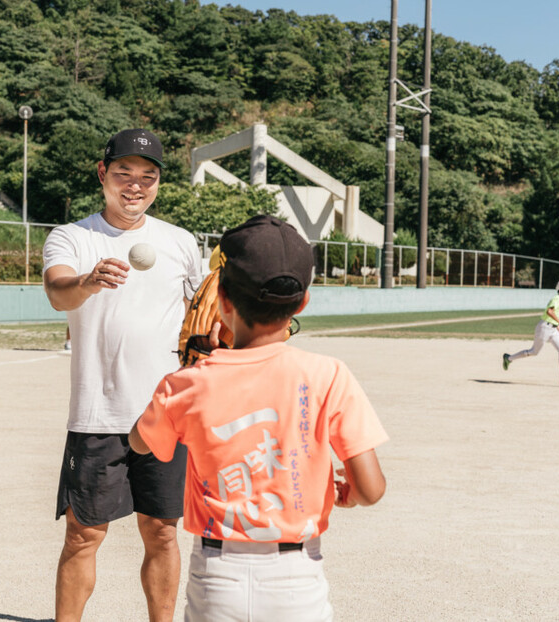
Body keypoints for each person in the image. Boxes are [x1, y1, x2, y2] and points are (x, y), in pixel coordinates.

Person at [129, 215, 388, 621]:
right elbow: (371, 489)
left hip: (218, 576)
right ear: (302, 302)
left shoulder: (186, 383)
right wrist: (350, 493)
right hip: (296, 578)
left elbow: (140, 442)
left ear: (224, 301)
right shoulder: (328, 374)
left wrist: (194, 370)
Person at [42, 128, 203, 622]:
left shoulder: (179, 242)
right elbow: (57, 291)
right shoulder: (73, 236)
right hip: (98, 412)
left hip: (164, 414)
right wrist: (87, 282)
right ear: (102, 175)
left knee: (161, 532)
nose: (135, 186)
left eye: (148, 177)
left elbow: (198, 322)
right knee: (83, 534)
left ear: (158, 183)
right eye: (124, 174)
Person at [503, 278, 559, 384]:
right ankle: (509, 358)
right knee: (534, 352)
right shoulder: (556, 299)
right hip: (544, 328)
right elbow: (549, 311)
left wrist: (556, 325)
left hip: (552, 328)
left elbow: (553, 313)